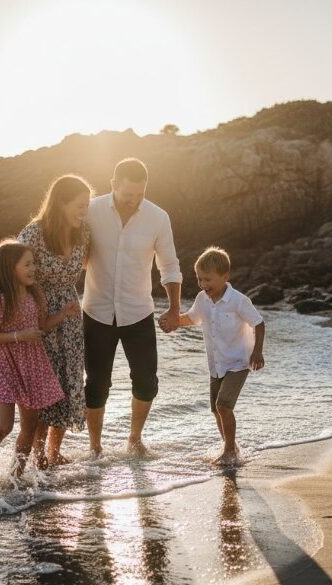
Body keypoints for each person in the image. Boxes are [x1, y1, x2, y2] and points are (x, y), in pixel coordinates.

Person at [83, 158, 182, 456]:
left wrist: (175, 310)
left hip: (139, 311)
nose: (134, 200)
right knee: (97, 384)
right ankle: (95, 447)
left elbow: (169, 265)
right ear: (113, 184)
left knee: (147, 382)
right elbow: (69, 250)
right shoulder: (90, 210)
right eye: (129, 194)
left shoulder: (158, 217)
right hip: (96, 312)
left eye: (140, 194)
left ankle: (135, 439)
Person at [0, 239, 79, 481]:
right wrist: (20, 336)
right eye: (28, 264)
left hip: (32, 365)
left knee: (29, 427)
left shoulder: (35, 294)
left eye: (34, 264)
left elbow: (42, 326)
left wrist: (63, 314)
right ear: (10, 268)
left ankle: (16, 476)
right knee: (4, 426)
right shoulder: (0, 300)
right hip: (5, 365)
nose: (34, 269)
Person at [17, 175, 92, 467]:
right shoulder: (33, 234)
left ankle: (53, 451)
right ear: (61, 202)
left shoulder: (83, 233)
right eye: (79, 206)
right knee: (43, 387)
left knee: (69, 380)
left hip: (71, 318)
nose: (84, 211)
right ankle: (37, 455)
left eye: (86, 206)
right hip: (39, 315)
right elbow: (14, 272)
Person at [174, 246, 265, 465]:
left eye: (208, 280)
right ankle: (231, 446)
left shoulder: (238, 301)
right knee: (216, 409)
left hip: (238, 362)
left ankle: (229, 452)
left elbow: (259, 323)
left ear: (225, 277)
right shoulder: (202, 299)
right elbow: (192, 318)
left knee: (224, 405)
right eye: (199, 280)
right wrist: (173, 321)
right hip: (216, 364)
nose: (203, 285)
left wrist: (257, 351)